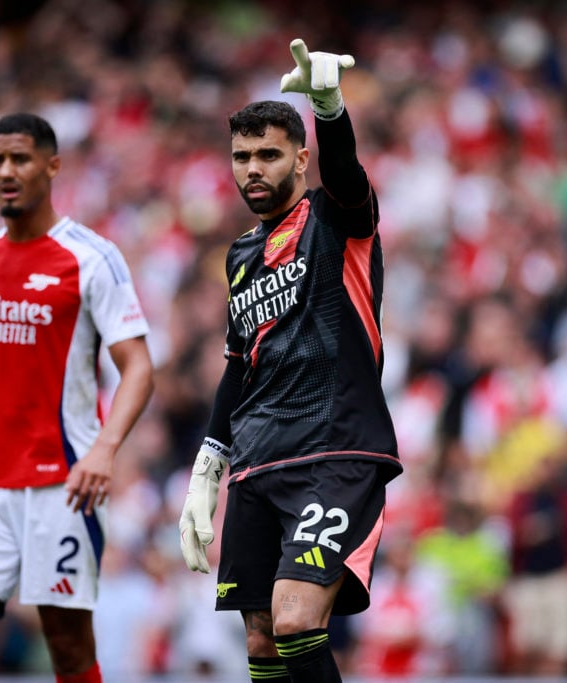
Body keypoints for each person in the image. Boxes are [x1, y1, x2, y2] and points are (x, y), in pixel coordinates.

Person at [179, 39, 401, 683]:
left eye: (269, 155)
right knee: (263, 643)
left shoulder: (338, 220)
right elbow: (236, 365)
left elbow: (349, 175)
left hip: (333, 451)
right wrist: (208, 467)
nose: (253, 168)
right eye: (242, 157)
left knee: (299, 617)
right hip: (256, 461)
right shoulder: (241, 254)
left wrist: (328, 108)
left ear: (301, 159)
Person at [0, 112, 154, 683]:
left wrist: (104, 450)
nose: (6, 171)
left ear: (52, 166)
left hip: (61, 478)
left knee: (67, 643)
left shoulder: (90, 258)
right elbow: (0, 369)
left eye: (20, 159)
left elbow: (139, 368)